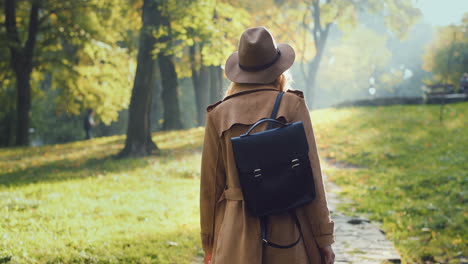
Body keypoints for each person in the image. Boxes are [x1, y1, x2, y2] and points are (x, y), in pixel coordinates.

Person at [200, 27, 335, 264]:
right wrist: (323, 238)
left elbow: (210, 189)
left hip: (234, 235)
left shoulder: (218, 115)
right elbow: (311, 176)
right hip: (288, 229)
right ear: (278, 69)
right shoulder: (291, 105)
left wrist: (209, 243)